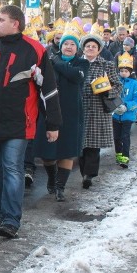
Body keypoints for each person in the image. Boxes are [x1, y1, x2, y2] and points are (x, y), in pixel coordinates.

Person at [0, 5, 62, 239]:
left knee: (13, 170)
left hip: (19, 123)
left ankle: (11, 219)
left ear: (15, 23)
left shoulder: (35, 50)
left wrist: (53, 124)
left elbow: (49, 90)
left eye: (1, 19)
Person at [35, 29, 88, 202]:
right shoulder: (49, 61)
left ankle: (60, 187)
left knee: (67, 151)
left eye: (73, 44)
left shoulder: (82, 63)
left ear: (77, 47)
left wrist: (57, 62)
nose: (69, 47)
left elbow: (75, 76)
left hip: (72, 113)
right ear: (60, 45)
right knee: (47, 153)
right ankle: (52, 177)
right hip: (50, 110)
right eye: (66, 43)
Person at [78, 34, 121, 189]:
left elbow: (117, 85)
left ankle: (89, 174)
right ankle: (84, 172)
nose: (90, 49)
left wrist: (107, 91)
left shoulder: (106, 65)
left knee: (93, 144)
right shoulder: (77, 63)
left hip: (98, 109)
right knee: (80, 143)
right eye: (88, 46)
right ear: (83, 48)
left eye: (94, 47)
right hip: (79, 108)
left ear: (99, 50)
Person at [112, 56, 137, 169]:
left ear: (130, 72)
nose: (123, 73)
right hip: (116, 115)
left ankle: (125, 156)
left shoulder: (135, 84)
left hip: (128, 115)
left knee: (125, 136)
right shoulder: (115, 82)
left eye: (126, 71)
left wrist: (127, 106)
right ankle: (118, 154)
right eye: (121, 71)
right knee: (116, 137)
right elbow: (111, 96)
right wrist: (114, 106)